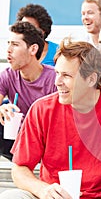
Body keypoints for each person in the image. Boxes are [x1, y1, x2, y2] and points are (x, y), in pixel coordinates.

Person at [0, 39, 101, 198]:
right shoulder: (42, 109)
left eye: (66, 76)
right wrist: (42, 190)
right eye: (57, 73)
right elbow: (19, 168)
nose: (57, 82)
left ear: (91, 79)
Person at [0, 21, 57, 161]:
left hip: (49, 142)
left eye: (15, 44)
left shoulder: (55, 78)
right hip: (19, 141)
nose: (8, 49)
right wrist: (2, 109)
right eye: (8, 43)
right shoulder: (8, 75)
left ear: (33, 49)